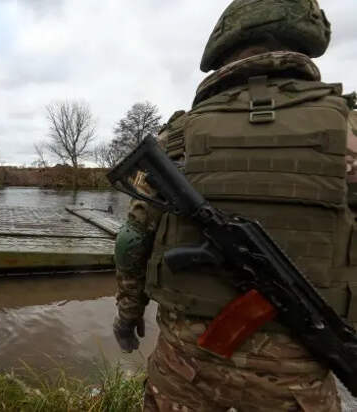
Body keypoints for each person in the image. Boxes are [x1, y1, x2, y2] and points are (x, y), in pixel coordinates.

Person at [112, 1, 356, 410]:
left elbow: (132, 240)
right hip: (297, 387)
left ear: (224, 45)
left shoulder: (179, 134)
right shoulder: (349, 129)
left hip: (182, 374)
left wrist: (127, 314)